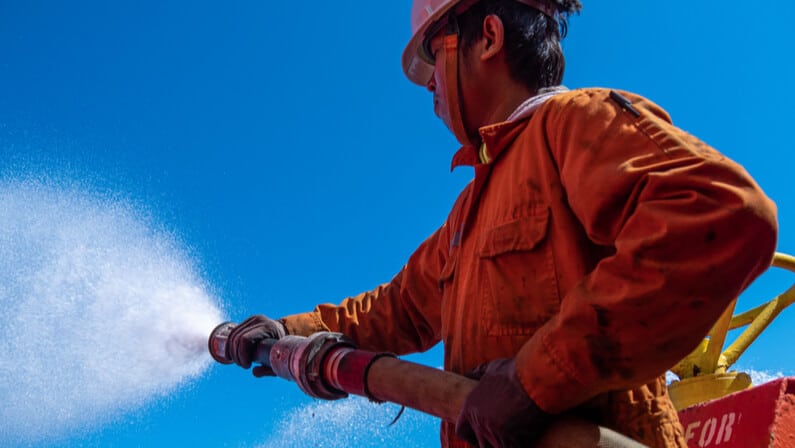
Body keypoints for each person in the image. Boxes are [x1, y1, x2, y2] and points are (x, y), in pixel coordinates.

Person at [226, 1, 778, 446]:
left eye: (433, 61)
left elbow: (720, 210)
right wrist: (286, 332)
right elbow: (392, 310)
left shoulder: (573, 124)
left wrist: (534, 382)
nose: (430, 91)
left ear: (487, 37)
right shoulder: (466, 217)